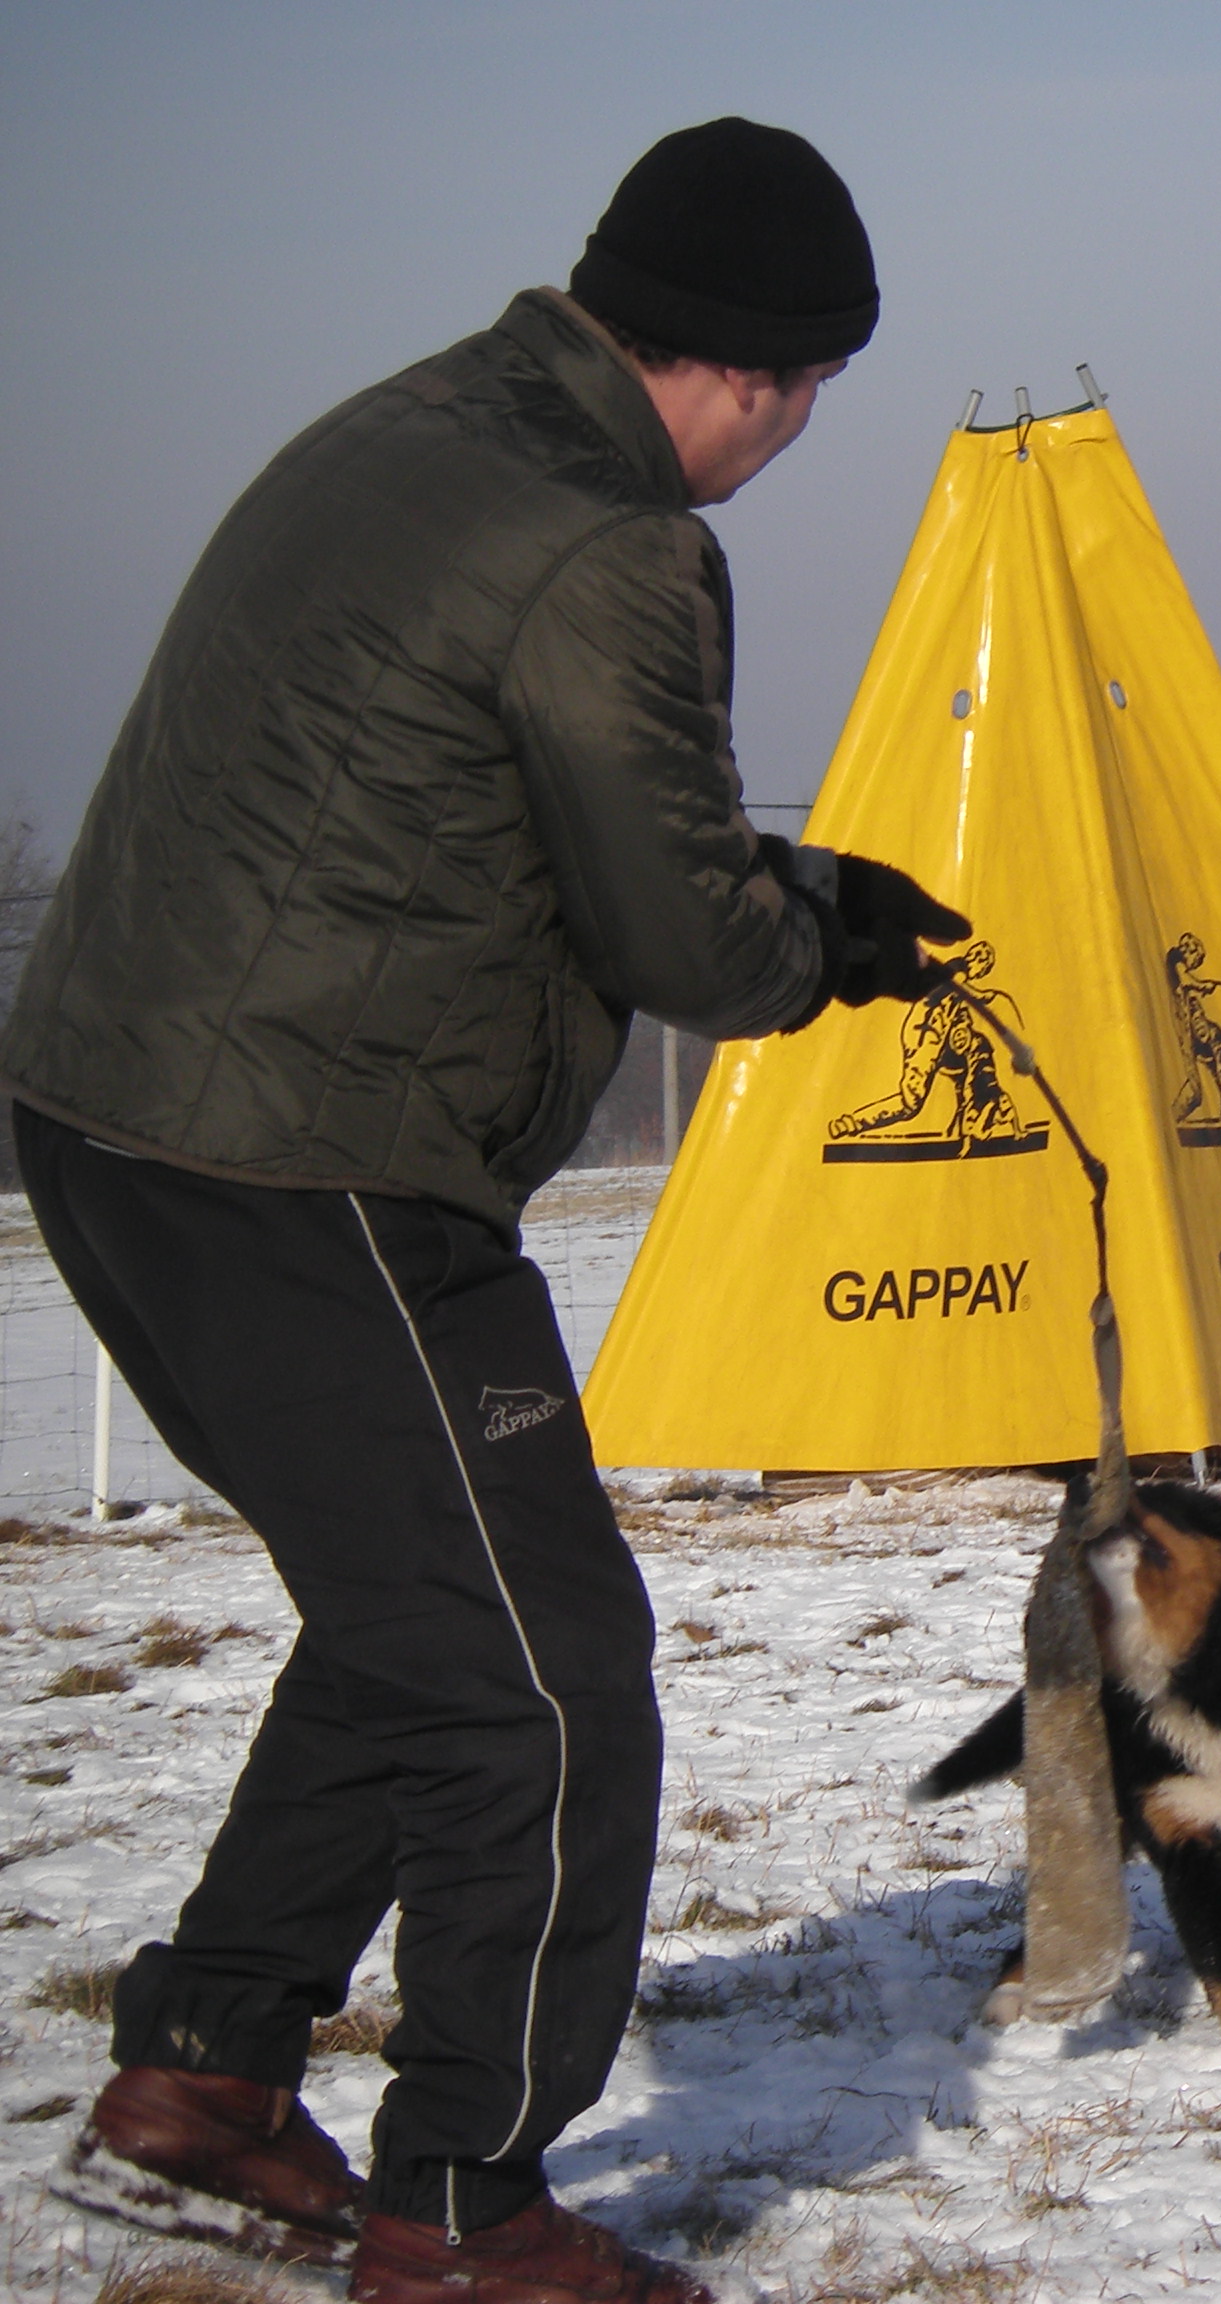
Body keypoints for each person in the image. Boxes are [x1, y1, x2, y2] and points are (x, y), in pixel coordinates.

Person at [11, 120, 967, 2303]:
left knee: (426, 1619)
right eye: (811, 385)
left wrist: (812, 894)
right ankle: (466, 2216)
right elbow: (686, 938)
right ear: (748, 367)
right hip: (314, 1163)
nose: (802, 431)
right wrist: (823, 938)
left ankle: (206, 2085)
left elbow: (535, 813)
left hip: (122, 1120)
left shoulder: (411, 425)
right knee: (547, 1682)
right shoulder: (614, 545)